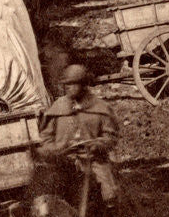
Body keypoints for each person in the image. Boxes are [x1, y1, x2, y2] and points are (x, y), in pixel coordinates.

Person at [38, 64, 119, 206]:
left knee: (109, 194)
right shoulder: (57, 107)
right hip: (63, 162)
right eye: (66, 84)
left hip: (93, 160)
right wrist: (55, 149)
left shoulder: (101, 107)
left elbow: (111, 137)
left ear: (84, 85)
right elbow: (45, 138)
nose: (68, 87)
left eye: (72, 83)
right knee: (45, 197)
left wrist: (98, 144)